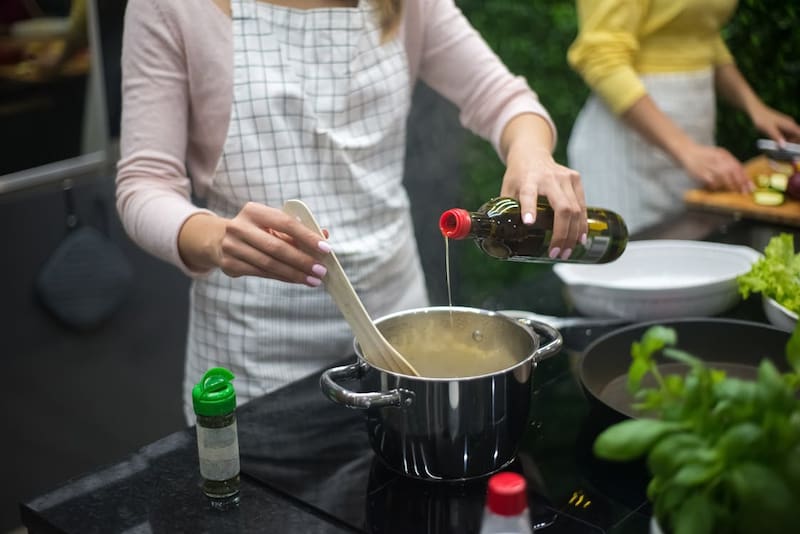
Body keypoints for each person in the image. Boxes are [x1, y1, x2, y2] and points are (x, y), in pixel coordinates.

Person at [116, 0, 588, 423]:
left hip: (401, 342)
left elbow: (503, 98)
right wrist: (215, 238)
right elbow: (144, 184)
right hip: (254, 353)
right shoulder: (170, 8)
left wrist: (531, 153)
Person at [566, 0, 800, 234]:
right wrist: (686, 149)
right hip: (629, 148)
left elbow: (703, 36)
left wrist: (756, 108)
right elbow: (599, 55)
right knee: (634, 257)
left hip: (692, 136)